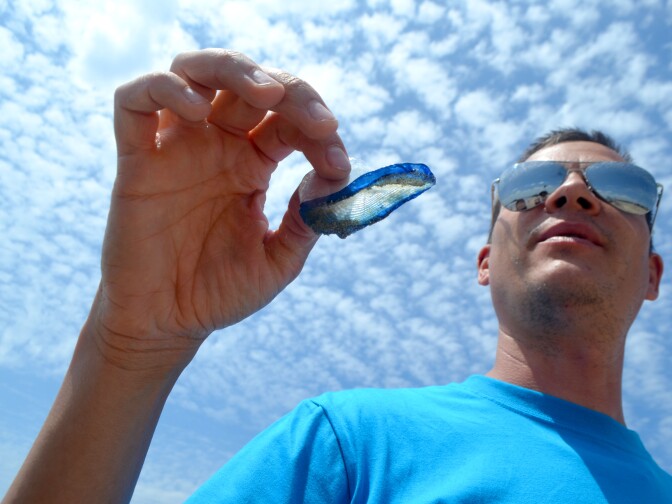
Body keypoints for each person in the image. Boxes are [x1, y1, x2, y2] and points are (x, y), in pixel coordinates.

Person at [3, 48, 671, 503]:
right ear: (485, 261)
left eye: (622, 188)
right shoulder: (347, 444)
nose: (572, 195)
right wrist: (130, 347)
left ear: (652, 272)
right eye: (531, 186)